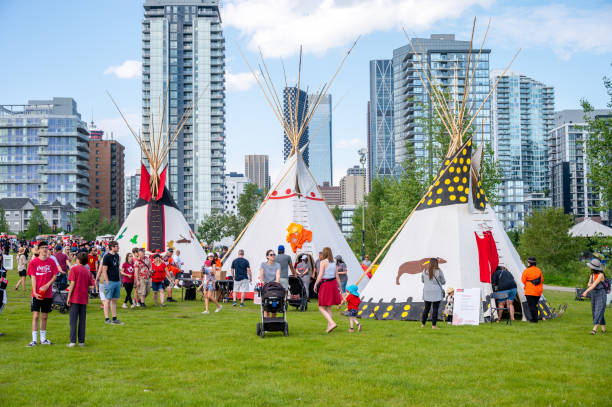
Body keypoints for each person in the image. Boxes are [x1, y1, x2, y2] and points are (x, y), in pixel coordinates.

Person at [27, 241, 59, 346]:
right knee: (36, 316)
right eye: (43, 247)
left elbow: (55, 275)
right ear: (39, 249)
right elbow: (33, 277)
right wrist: (35, 292)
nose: (45, 249)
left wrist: (47, 285)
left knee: (44, 316)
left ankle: (43, 339)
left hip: (48, 293)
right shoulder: (33, 262)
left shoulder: (51, 262)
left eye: (46, 247)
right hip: (36, 294)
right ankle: (34, 340)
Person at [66, 252, 95, 347]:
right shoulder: (87, 271)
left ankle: (73, 341)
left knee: (73, 320)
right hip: (84, 298)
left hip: (75, 298)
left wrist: (68, 297)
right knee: (82, 320)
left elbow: (72, 284)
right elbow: (91, 286)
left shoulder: (74, 269)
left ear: (78, 260)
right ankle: (81, 341)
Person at [314, 247, 343, 333]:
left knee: (321, 307)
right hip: (333, 284)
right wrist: (340, 288)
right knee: (328, 307)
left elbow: (320, 275)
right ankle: (329, 326)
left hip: (325, 284)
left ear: (324, 253)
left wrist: (315, 284)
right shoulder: (334, 261)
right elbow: (337, 276)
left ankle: (332, 323)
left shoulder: (323, 262)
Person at [581, 258, 607, 334]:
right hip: (594, 294)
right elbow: (589, 284)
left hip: (601, 294)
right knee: (595, 311)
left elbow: (593, 285)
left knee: (598, 311)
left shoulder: (601, 275)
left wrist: (586, 291)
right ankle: (603, 329)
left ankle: (594, 330)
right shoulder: (592, 274)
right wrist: (591, 286)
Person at [101, 241, 123, 324]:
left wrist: (120, 280)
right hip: (110, 281)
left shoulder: (117, 256)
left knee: (114, 300)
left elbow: (117, 269)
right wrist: (106, 281)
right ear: (112, 247)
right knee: (107, 300)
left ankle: (114, 318)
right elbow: (104, 270)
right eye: (116, 246)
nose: (118, 247)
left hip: (117, 281)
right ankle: (107, 319)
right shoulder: (106, 257)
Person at [420, 258, 446, 329]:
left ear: (429, 263)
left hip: (427, 291)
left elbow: (422, 280)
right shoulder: (439, 271)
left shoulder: (424, 270)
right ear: (436, 263)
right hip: (436, 292)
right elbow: (443, 282)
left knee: (426, 308)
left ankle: (423, 324)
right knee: (435, 309)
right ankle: (433, 326)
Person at [521, 257, 543, 323]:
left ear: (529, 263)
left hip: (530, 291)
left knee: (532, 306)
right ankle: (535, 318)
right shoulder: (539, 270)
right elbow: (541, 279)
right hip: (538, 291)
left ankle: (534, 320)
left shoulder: (526, 271)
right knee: (535, 305)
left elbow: (523, 280)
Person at [260, 249, 281, 318]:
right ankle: (266, 322)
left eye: (274, 254)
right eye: (271, 255)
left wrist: (275, 282)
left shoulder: (277, 265)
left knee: (274, 305)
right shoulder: (263, 264)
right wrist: (263, 282)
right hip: (266, 286)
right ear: (267, 256)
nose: (273, 256)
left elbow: (278, 277)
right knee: (266, 306)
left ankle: (274, 322)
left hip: (274, 286)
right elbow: (261, 276)